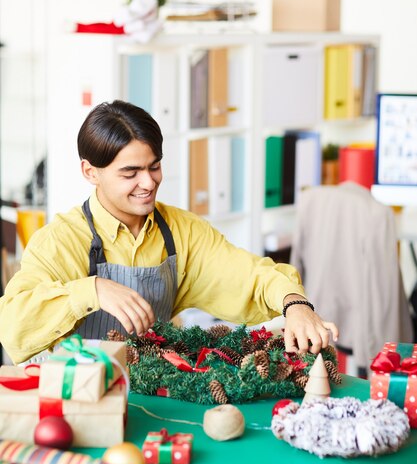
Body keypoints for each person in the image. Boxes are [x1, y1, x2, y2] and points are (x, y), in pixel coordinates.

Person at [0, 100, 338, 364]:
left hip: (153, 394)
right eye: (130, 172)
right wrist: (91, 290)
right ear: (91, 172)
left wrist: (296, 305)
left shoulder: (182, 232)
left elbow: (250, 276)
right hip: (78, 400)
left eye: (154, 166)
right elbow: (14, 325)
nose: (148, 183)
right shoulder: (60, 239)